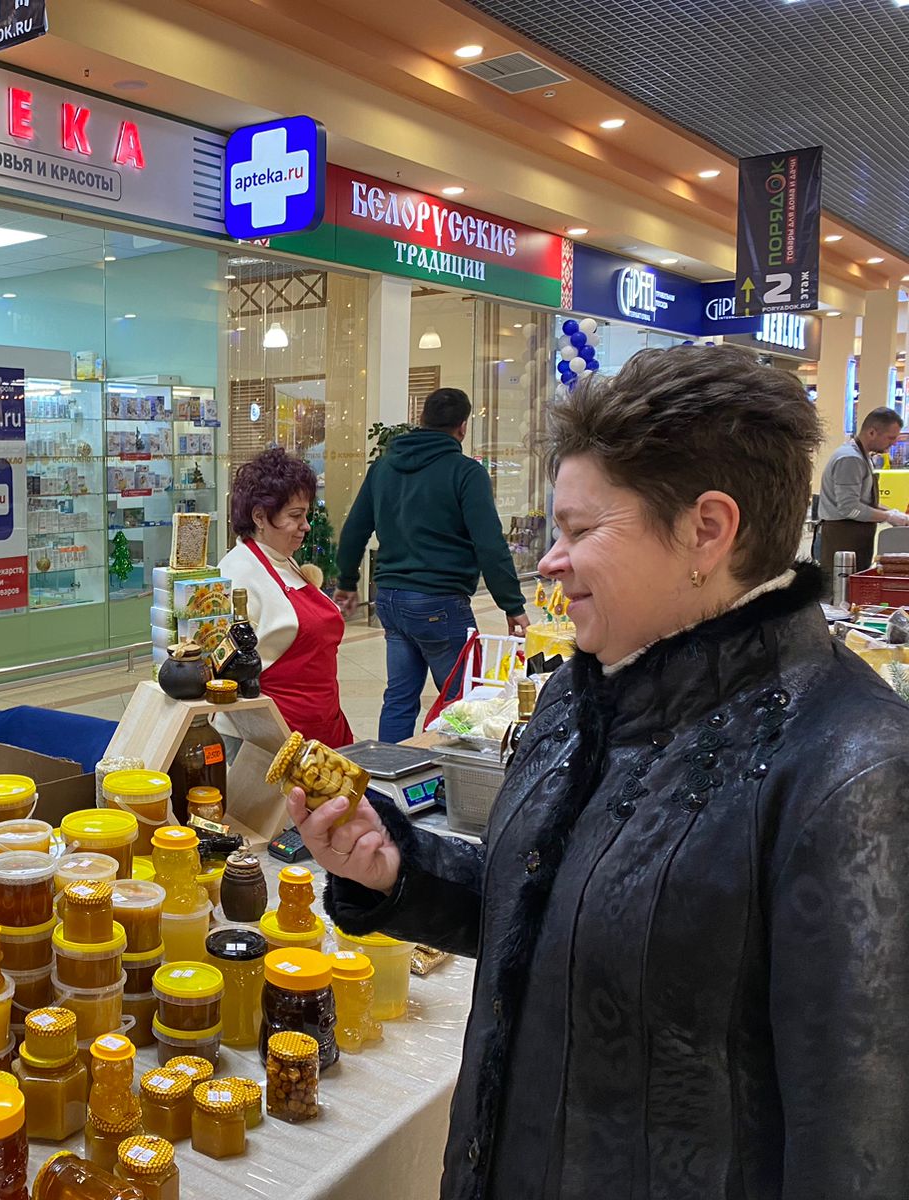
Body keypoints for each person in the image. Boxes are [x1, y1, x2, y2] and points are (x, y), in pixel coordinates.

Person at [294, 345, 909, 1199]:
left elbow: (859, 1147)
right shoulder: (584, 689)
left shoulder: (852, 770)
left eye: (582, 531)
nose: (550, 560)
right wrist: (399, 866)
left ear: (708, 529)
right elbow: (553, 912)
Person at [332, 388, 528, 744]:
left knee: (399, 698)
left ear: (421, 420)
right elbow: (490, 543)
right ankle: (453, 784)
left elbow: (354, 530)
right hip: (440, 601)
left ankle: (387, 782)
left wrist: (346, 582)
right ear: (462, 427)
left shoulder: (384, 467)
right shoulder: (466, 473)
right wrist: (512, 605)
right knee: (464, 702)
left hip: (390, 600)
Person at [217, 447, 352, 747]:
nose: (306, 526)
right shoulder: (236, 572)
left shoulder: (284, 560)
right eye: (295, 516)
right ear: (260, 517)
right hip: (269, 740)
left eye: (306, 515)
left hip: (320, 726)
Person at [816, 405, 907, 574]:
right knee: (839, 591)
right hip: (843, 538)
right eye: (890, 438)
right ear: (872, 432)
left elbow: (863, 501)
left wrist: (894, 513)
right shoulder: (850, 459)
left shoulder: (863, 456)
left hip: (856, 536)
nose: (894, 443)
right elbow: (850, 508)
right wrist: (889, 516)